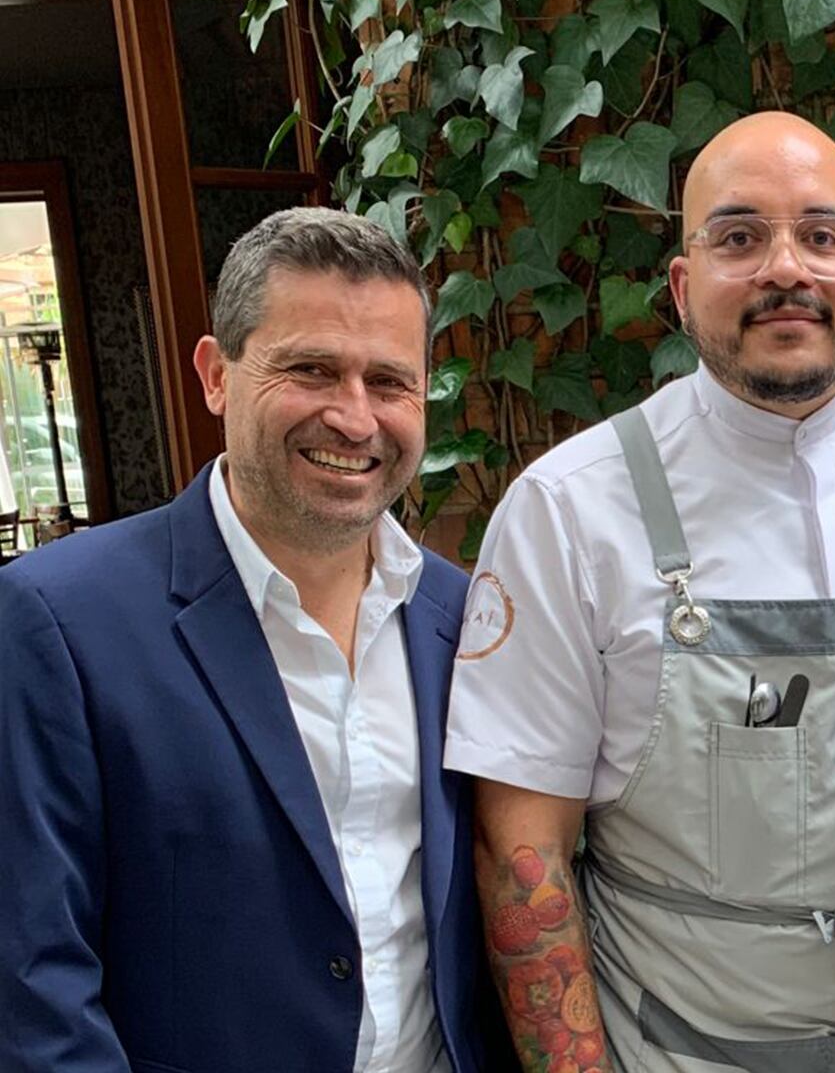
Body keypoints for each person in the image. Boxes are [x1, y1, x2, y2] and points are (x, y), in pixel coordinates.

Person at [444, 110, 835, 1073]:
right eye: (739, 238)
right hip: (673, 1050)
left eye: (822, 236)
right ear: (681, 286)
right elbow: (520, 850)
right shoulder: (570, 511)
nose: (786, 268)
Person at [0, 208, 506, 1072]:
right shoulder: (57, 622)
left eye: (389, 382)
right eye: (312, 370)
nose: (355, 418)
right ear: (215, 375)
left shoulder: (464, 619)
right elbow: (32, 980)